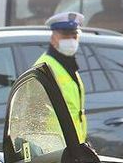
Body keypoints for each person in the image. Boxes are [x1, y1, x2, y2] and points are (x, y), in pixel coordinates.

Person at [35, 12, 87, 143]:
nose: (70, 40)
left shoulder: (69, 66)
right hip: (55, 146)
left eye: (74, 35)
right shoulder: (44, 66)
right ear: (53, 39)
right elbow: (36, 113)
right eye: (65, 36)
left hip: (74, 145)